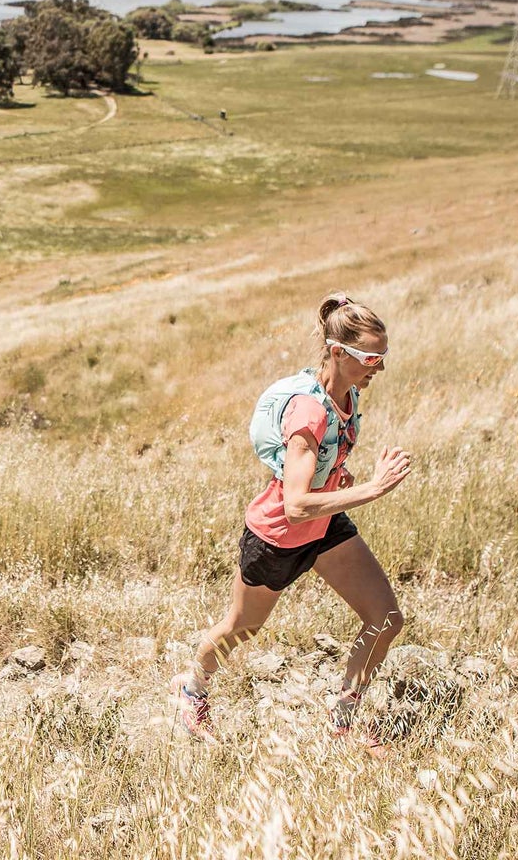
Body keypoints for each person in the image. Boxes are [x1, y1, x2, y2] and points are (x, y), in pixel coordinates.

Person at [171, 293, 413, 754]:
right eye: (370, 357)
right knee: (242, 628)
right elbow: (296, 504)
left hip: (325, 526)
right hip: (278, 536)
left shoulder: (348, 393)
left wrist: (341, 477)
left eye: (383, 357)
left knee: (385, 618)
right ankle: (191, 692)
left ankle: (341, 721)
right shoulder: (309, 411)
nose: (378, 367)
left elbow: (319, 478)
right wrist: (374, 488)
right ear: (338, 352)